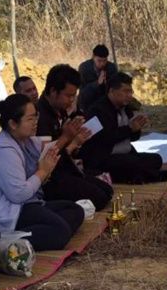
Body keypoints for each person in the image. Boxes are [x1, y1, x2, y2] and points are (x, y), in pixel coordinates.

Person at [0, 94, 85, 251]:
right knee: (60, 231)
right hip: (9, 212)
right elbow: (18, 194)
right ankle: (3, 242)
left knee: (74, 210)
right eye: (30, 119)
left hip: (27, 204)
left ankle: (41, 231)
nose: (35, 123)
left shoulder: (26, 140)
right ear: (13, 124)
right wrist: (43, 171)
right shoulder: (3, 150)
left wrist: (70, 137)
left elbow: (50, 149)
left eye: (35, 117)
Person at [36, 64, 112, 209]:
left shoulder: (61, 110)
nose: (72, 100)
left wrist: (75, 140)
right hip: (50, 179)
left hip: (66, 168)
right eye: (69, 96)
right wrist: (67, 138)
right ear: (53, 91)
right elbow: (44, 160)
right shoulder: (40, 117)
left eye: (74, 96)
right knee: (99, 198)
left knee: (107, 190)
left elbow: (68, 151)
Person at [79, 72, 162, 184]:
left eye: (130, 92)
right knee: (133, 164)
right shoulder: (98, 110)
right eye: (125, 91)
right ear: (112, 91)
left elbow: (132, 138)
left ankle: (136, 175)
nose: (129, 95)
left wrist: (136, 128)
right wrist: (129, 129)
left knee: (156, 159)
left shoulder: (125, 108)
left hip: (125, 154)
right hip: (103, 158)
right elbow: (104, 139)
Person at [77, 44, 118, 113]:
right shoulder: (84, 68)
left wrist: (106, 84)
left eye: (104, 61)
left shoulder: (111, 68)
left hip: (104, 103)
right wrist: (97, 83)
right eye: (99, 61)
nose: (102, 64)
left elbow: (114, 89)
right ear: (93, 57)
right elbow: (83, 93)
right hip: (87, 104)